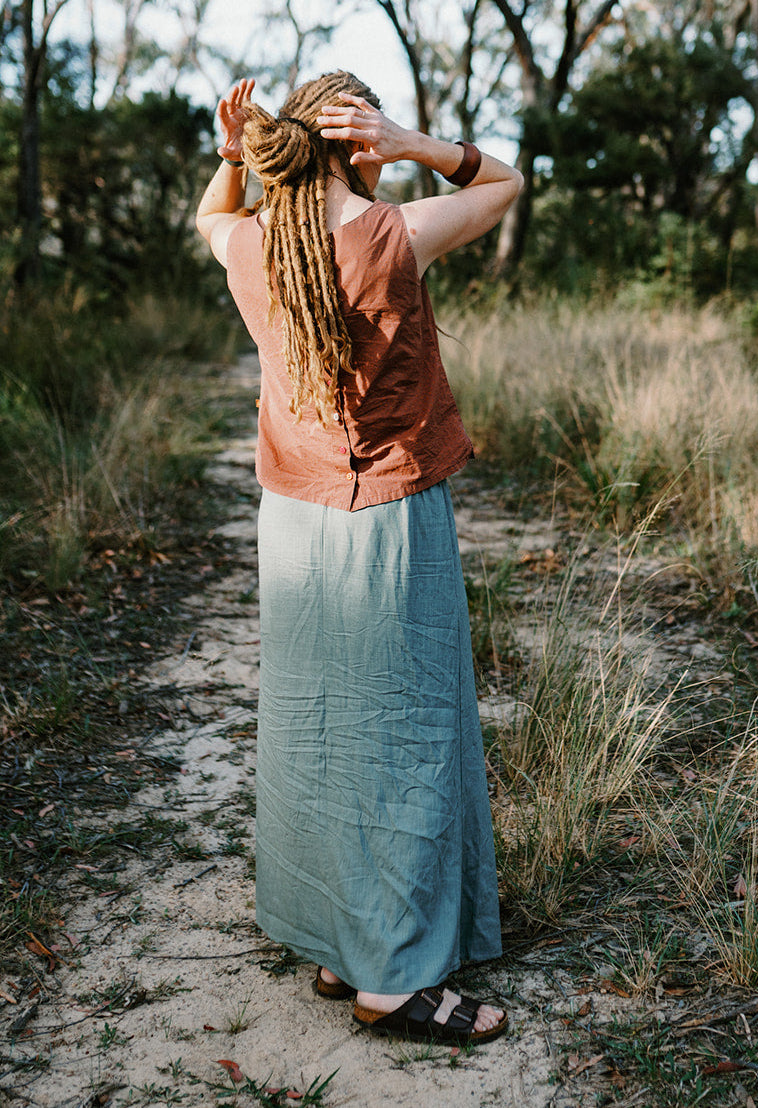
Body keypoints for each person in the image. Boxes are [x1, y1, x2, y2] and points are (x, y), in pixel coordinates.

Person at [195, 71, 523, 1046]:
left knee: (325, 741)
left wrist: (230, 158)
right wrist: (415, 139)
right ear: (358, 141)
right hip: (387, 516)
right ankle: (396, 980)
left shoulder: (255, 240)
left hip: (292, 522)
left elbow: (212, 214)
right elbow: (502, 183)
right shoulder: (390, 234)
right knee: (404, 742)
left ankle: (346, 944)